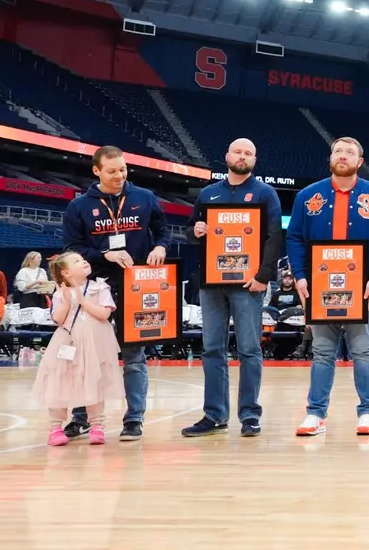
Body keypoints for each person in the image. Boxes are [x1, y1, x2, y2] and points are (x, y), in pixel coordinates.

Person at [286, 137, 369, 438]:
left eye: (350, 152)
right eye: (338, 151)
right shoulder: (308, 196)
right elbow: (294, 238)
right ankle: (315, 414)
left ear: (360, 161)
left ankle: (368, 412)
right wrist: (300, 275)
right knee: (322, 351)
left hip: (362, 286)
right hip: (320, 286)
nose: (343, 156)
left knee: (363, 349)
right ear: (330, 158)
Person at [62, 145, 167, 442]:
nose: (119, 175)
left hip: (136, 287)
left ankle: (134, 419)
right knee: (87, 356)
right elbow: (71, 249)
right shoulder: (79, 206)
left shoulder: (145, 198)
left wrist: (160, 246)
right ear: (96, 171)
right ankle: (82, 417)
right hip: (94, 289)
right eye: (111, 171)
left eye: (122, 169)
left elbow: (163, 230)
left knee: (134, 356)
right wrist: (103, 255)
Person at [182, 138, 284, 438]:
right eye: (238, 151)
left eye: (248, 153)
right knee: (212, 349)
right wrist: (196, 231)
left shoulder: (265, 193)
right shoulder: (209, 193)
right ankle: (214, 415)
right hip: (211, 283)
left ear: (255, 159)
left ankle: (250, 415)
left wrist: (264, 275)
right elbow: (191, 230)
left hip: (248, 283)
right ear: (227, 156)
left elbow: (273, 236)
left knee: (249, 349)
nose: (243, 156)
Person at [35, 252, 123, 446]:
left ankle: (97, 425)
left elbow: (105, 314)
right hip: (67, 341)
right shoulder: (60, 292)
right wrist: (67, 300)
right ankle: (56, 427)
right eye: (77, 261)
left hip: (95, 342)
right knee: (60, 381)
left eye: (83, 259)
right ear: (66, 272)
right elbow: (58, 319)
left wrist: (83, 301)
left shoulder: (99, 287)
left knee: (94, 381)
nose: (84, 262)